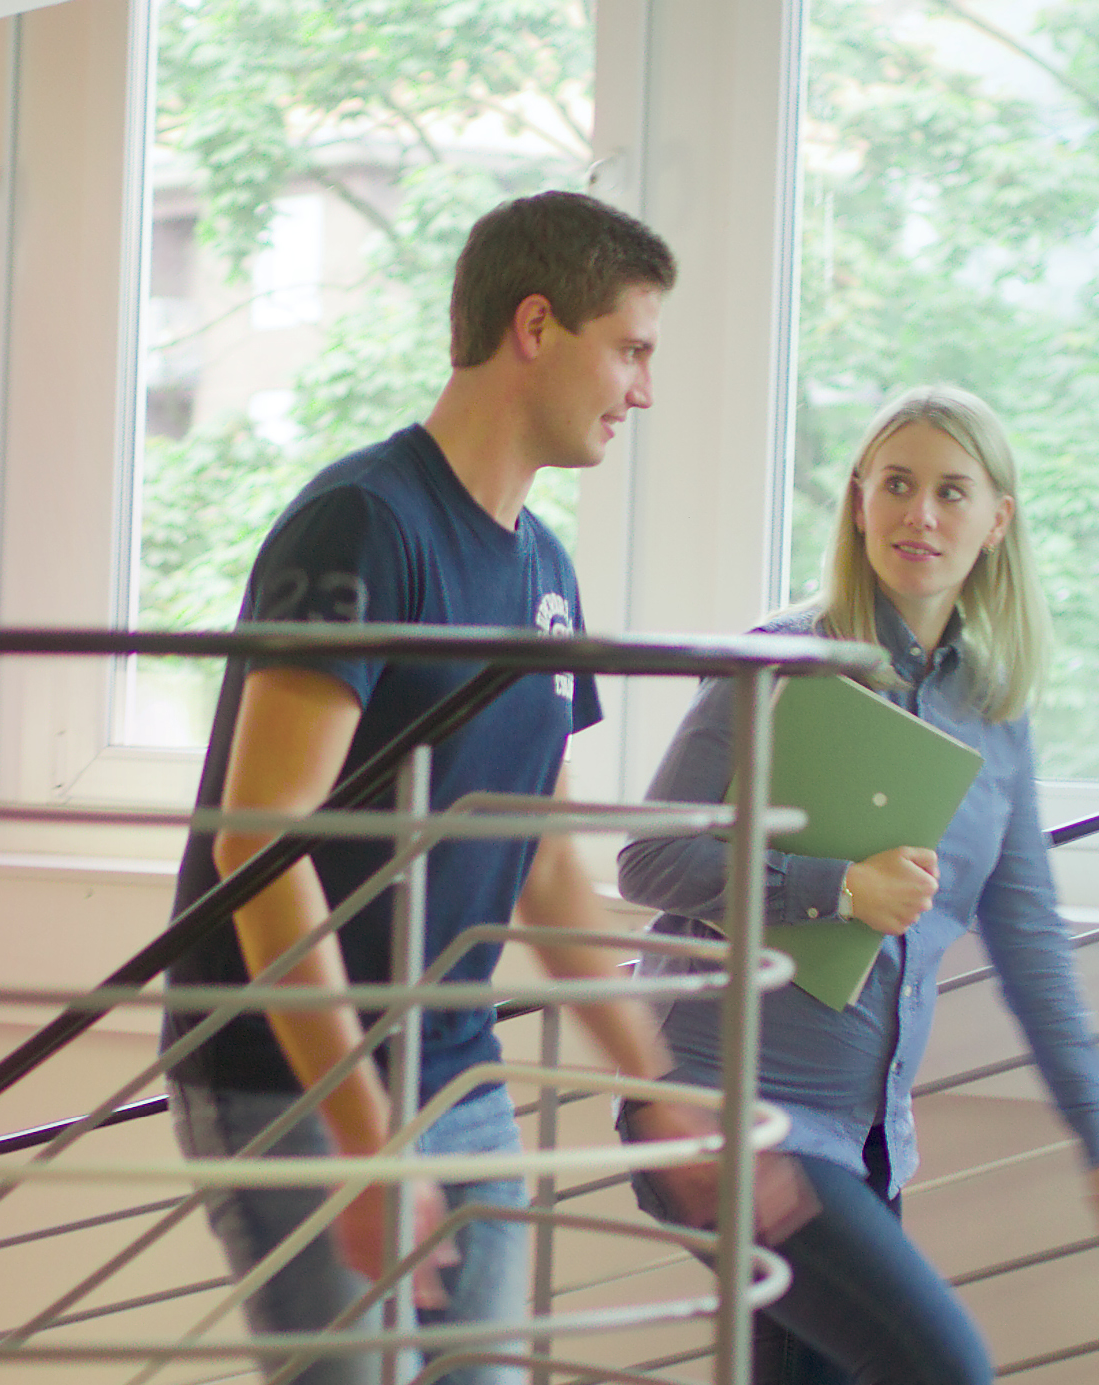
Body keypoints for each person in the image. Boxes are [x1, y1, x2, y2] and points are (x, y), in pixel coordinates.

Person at [160, 190, 705, 1385]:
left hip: (452, 1065)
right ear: (533, 327)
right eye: (629, 348)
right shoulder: (363, 523)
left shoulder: (545, 568)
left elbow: (545, 858)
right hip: (288, 1077)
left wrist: (657, 1085)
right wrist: (361, 1139)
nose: (641, 390)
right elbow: (260, 846)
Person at [613, 385, 1099, 1385]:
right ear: (857, 500)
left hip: (865, 1143)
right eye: (896, 484)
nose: (920, 514)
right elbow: (648, 858)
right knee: (942, 1364)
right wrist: (834, 887)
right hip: (732, 1114)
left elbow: (1030, 941)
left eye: (952, 492)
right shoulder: (777, 660)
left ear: (997, 521)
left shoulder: (992, 712)